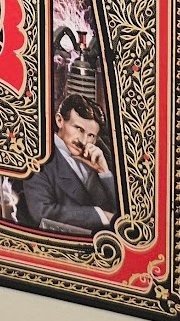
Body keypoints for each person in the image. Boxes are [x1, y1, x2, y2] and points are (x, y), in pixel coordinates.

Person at [21, 95, 116, 233]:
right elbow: (42, 212)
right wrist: (101, 216)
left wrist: (104, 173)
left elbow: (124, 210)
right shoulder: (40, 155)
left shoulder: (101, 155)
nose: (83, 140)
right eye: (79, 129)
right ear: (59, 120)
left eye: (91, 135)